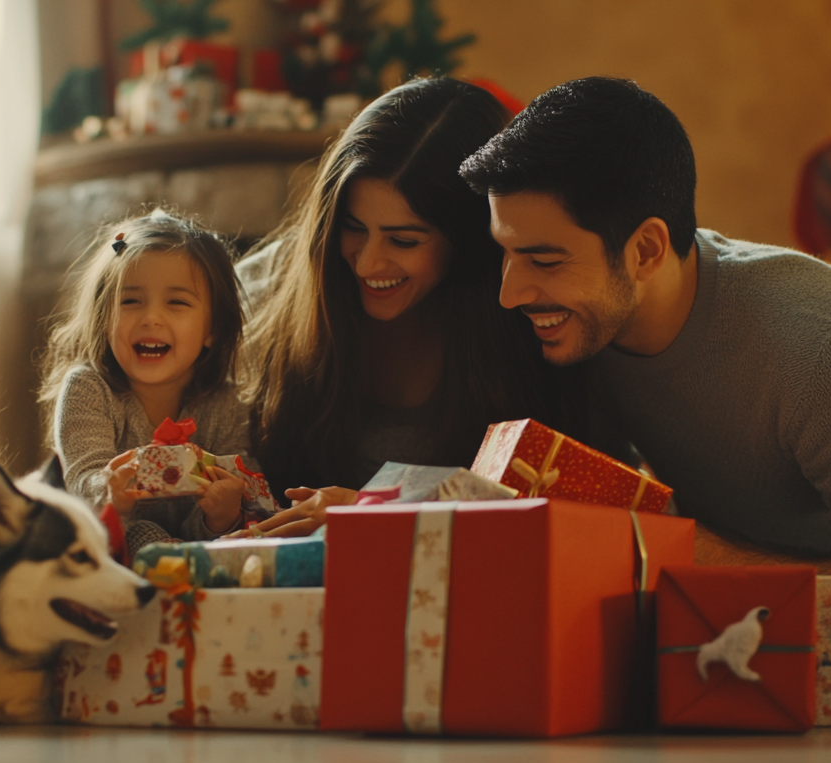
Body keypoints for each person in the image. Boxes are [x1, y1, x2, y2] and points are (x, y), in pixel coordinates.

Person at [457, 76, 831, 574]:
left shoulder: (825, 346)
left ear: (646, 250)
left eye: (544, 260)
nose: (509, 294)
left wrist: (698, 556)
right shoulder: (584, 323)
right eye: (507, 252)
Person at [237, 77, 585, 538]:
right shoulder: (283, 280)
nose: (367, 262)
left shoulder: (537, 318)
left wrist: (375, 509)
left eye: (403, 240)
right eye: (352, 226)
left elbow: (566, 508)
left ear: (471, 238)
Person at [42, 210, 253, 550]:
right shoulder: (87, 389)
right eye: (130, 301)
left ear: (213, 328)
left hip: (193, 563)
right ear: (103, 316)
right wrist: (107, 491)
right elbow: (82, 483)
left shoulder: (226, 404)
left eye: (177, 302)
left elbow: (234, 501)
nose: (151, 317)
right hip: (100, 554)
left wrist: (221, 516)